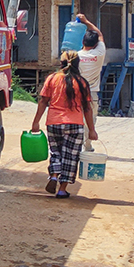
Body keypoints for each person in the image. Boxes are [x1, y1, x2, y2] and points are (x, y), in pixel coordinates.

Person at [31, 51, 99, 198]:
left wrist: (35, 122)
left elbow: (43, 101)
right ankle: (62, 189)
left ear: (61, 63)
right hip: (74, 124)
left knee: (56, 152)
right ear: (77, 64)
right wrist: (91, 130)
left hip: (54, 122)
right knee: (70, 156)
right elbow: (87, 108)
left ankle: (54, 176)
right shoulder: (81, 82)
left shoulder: (52, 79)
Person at [75, 14, 106, 151]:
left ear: (83, 42)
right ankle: (87, 146)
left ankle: (76, 145)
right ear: (95, 44)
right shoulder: (99, 53)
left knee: (77, 119)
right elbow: (99, 34)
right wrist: (86, 21)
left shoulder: (76, 56)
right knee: (90, 121)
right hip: (92, 93)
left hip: (76, 92)